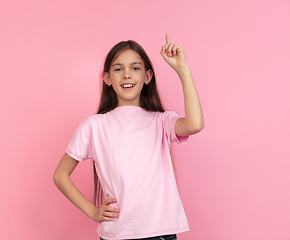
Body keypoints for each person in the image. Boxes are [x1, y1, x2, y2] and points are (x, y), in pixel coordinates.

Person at [53, 34, 204, 240]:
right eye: (118, 69)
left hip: (160, 233)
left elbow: (195, 124)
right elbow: (60, 175)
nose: (127, 75)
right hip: (116, 235)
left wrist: (183, 69)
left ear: (147, 76)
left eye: (135, 68)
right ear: (107, 78)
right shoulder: (94, 125)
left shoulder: (161, 121)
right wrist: (93, 211)